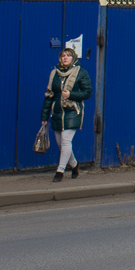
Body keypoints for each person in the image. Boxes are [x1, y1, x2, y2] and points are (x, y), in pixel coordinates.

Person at [40, 47, 92, 182]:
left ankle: (60, 171)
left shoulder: (81, 73)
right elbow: (49, 95)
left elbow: (87, 92)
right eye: (63, 55)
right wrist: (44, 116)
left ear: (73, 58)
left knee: (66, 140)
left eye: (68, 56)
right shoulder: (54, 74)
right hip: (57, 111)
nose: (65, 58)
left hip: (72, 111)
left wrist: (71, 94)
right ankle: (75, 165)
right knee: (61, 144)